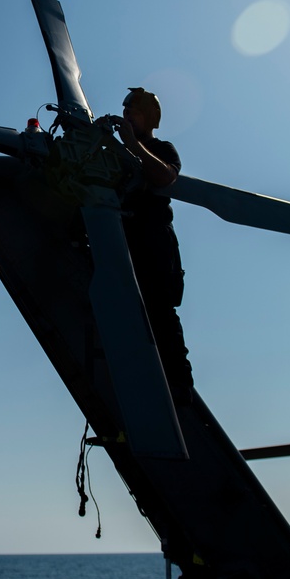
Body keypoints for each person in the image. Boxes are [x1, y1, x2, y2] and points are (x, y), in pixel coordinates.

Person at [113, 87, 194, 404]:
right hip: (124, 243)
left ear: (147, 116)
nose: (126, 118)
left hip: (155, 243)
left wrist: (133, 146)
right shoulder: (115, 155)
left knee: (161, 313)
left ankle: (179, 387)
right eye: (125, 114)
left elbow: (166, 177)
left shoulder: (163, 148)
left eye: (131, 112)